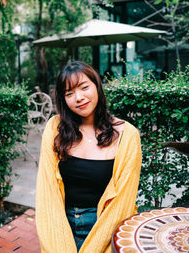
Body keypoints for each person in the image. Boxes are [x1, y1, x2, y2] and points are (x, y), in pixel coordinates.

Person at [36, 60, 142, 253]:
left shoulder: (127, 135)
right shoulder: (55, 129)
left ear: (97, 85)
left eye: (84, 87)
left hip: (106, 227)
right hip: (62, 225)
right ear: (63, 99)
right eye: (69, 93)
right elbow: (47, 192)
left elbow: (124, 201)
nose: (78, 98)